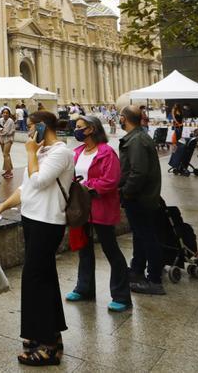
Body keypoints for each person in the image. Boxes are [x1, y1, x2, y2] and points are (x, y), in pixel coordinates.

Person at [0, 110, 73, 365]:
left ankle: (47, 345)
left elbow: (39, 181)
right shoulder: (42, 153)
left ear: (43, 126)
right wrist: (3, 206)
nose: (29, 129)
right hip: (33, 219)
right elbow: (26, 188)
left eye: (32, 125)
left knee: (36, 279)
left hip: (48, 222)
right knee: (42, 279)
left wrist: (28, 152)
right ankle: (48, 335)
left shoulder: (61, 152)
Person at [67, 115, 131, 313]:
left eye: (80, 127)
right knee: (84, 249)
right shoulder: (77, 152)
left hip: (100, 207)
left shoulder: (106, 152)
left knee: (110, 249)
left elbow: (111, 180)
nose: (76, 130)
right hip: (81, 209)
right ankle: (84, 288)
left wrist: (86, 187)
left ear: (91, 129)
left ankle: (121, 295)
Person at [118, 105, 165, 296]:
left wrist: (126, 192)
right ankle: (137, 269)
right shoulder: (138, 137)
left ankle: (154, 279)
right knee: (140, 234)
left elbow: (138, 172)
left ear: (125, 118)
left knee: (147, 236)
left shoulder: (136, 140)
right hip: (142, 196)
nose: (119, 119)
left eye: (120, 116)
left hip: (140, 197)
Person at [0, 108, 16, 179]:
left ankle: (9, 172)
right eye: (4, 112)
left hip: (8, 139)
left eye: (7, 113)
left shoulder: (11, 121)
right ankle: (8, 170)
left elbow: (9, 132)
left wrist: (2, 131)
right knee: (5, 155)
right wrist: (2, 130)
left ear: (9, 114)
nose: (5, 114)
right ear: (2, 113)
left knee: (6, 154)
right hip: (2, 139)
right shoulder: (0, 120)